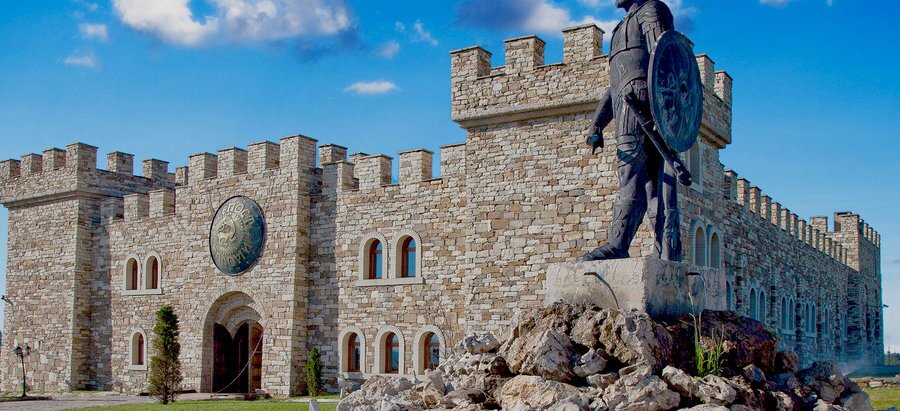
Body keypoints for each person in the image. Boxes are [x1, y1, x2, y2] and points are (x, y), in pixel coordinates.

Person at [580, 0, 683, 262]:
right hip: (626, 106)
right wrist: (597, 123)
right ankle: (664, 251)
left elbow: (665, 60)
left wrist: (665, 115)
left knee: (636, 179)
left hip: (645, 108)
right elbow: (617, 84)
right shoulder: (620, 27)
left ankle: (619, 244)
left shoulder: (651, 11)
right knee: (649, 185)